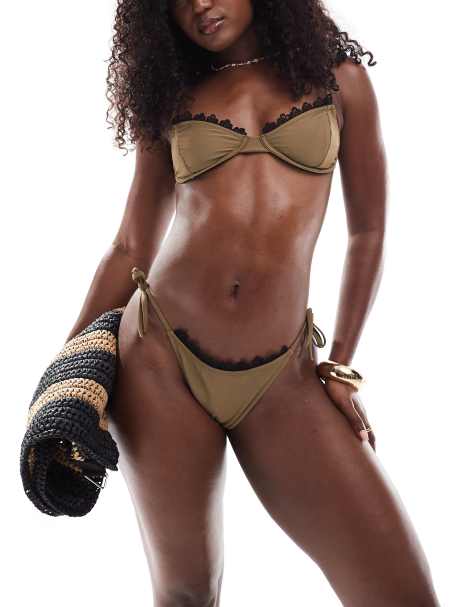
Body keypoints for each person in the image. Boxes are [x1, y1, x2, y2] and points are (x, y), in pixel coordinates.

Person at [64, 1, 441, 605]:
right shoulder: (172, 95)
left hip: (282, 376)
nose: (200, 5)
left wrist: (341, 364)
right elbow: (132, 244)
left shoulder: (339, 81)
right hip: (161, 361)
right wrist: (63, 378)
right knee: (187, 594)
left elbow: (368, 232)